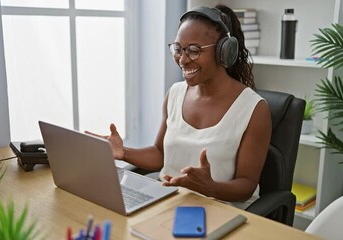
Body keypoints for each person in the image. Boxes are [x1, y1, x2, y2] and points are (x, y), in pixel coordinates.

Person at [88, 4, 271, 209]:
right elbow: (160, 154)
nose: (182, 60)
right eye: (178, 49)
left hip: (219, 211)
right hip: (168, 203)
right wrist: (123, 152)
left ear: (223, 52)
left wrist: (210, 187)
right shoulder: (175, 94)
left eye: (194, 50)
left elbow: (247, 185)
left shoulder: (254, 109)